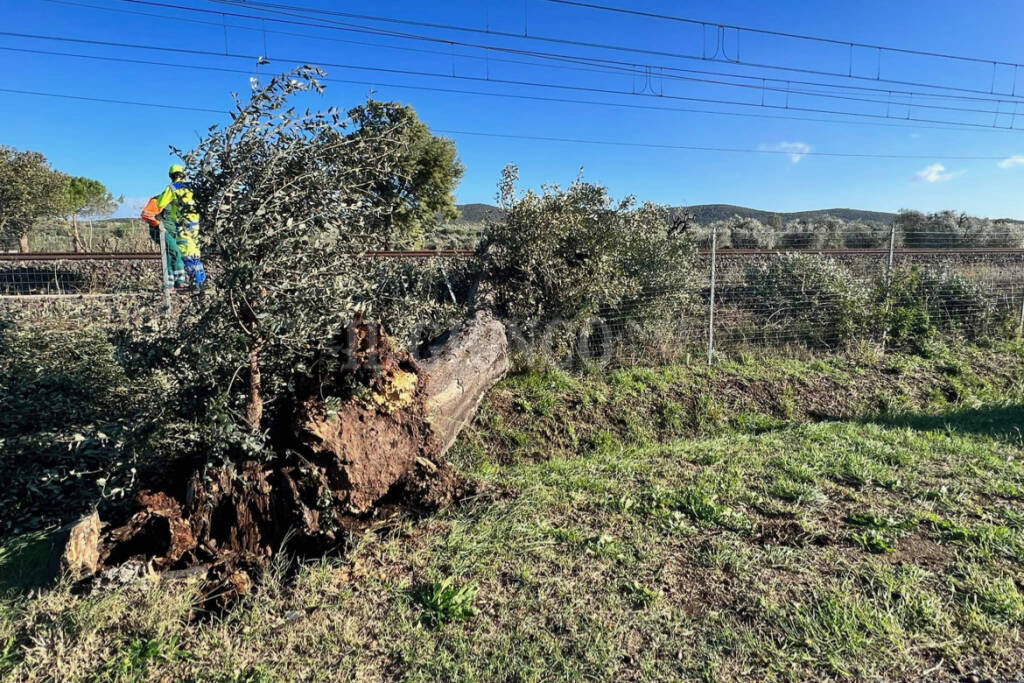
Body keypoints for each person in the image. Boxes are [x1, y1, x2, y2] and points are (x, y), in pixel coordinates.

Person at [142, 164, 207, 289]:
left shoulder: (172, 188)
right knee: (194, 250)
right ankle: (199, 280)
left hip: (183, 224)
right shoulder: (192, 187)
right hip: (195, 223)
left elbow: (160, 203)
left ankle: (194, 281)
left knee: (184, 251)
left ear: (171, 176)